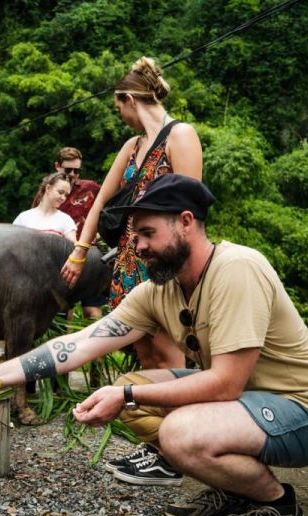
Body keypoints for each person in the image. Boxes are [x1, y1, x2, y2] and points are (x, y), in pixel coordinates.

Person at [0, 174, 308, 516]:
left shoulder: (237, 269)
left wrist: (124, 395)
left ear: (186, 222)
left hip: (307, 411)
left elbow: (225, 385)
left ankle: (277, 506)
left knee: (176, 431)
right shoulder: (160, 291)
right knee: (137, 386)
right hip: (249, 403)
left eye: (147, 233)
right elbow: (77, 344)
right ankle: (235, 491)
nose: (138, 247)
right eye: (135, 236)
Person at [61, 57, 203, 368]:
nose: (121, 116)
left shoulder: (180, 136)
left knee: (169, 350)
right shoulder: (132, 147)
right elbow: (100, 202)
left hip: (165, 263)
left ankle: (177, 412)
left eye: (119, 108)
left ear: (129, 99)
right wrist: (80, 251)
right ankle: (152, 412)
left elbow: (192, 209)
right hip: (129, 261)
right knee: (144, 351)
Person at [31, 147, 103, 318]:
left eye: (77, 170)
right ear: (57, 166)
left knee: (92, 311)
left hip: (89, 255)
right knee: (62, 311)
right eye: (68, 170)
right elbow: (35, 221)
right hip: (60, 258)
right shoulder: (46, 193)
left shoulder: (91, 188)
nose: (72, 174)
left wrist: (101, 232)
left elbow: (109, 207)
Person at [14, 172, 76, 240]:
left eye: (66, 195)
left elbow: (73, 248)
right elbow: (11, 244)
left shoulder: (66, 220)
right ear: (48, 188)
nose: (63, 198)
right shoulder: (24, 217)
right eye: (60, 192)